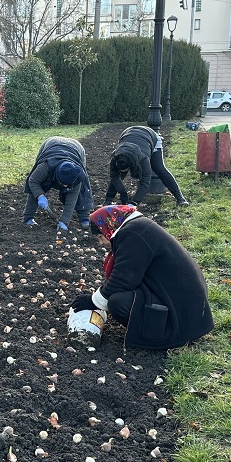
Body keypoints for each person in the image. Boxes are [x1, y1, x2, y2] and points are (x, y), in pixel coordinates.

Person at [70, 205, 213, 350]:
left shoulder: (133, 234)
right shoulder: (137, 227)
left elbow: (123, 279)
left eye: (100, 236)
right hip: (189, 307)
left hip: (183, 319)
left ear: (109, 226)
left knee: (118, 302)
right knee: (118, 297)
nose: (101, 243)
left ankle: (156, 337)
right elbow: (128, 274)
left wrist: (93, 301)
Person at [104, 125, 189, 207]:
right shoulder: (115, 156)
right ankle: (107, 201)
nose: (125, 172)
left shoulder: (143, 159)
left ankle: (180, 198)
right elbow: (114, 176)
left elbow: (145, 181)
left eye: (126, 170)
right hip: (128, 133)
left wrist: (134, 203)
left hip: (150, 136)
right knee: (118, 175)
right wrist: (123, 193)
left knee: (159, 168)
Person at [22, 136, 94, 231]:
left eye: (67, 185)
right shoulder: (45, 167)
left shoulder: (78, 175)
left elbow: (72, 199)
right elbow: (33, 181)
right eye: (63, 184)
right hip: (51, 143)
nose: (64, 187)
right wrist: (39, 195)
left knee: (82, 189)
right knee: (37, 186)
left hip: (77, 148)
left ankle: (84, 217)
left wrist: (64, 221)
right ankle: (28, 217)